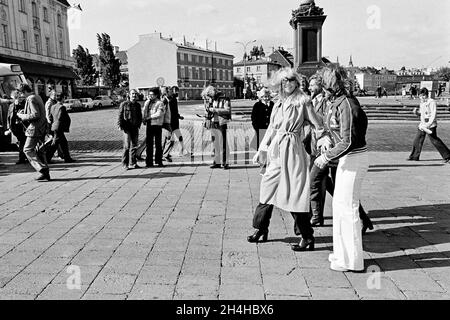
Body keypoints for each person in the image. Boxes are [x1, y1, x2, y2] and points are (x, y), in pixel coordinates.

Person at [247, 67, 324, 252]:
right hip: (276, 152)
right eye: (284, 80)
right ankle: (261, 228)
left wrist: (323, 141)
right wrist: (262, 148)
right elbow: (272, 128)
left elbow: (318, 124)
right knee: (267, 189)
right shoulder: (279, 103)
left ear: (296, 82)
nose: (287, 83)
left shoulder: (303, 102)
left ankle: (307, 236)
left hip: (293, 150)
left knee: (293, 193)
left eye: (290, 80)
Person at [314, 67, 369, 272]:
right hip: (348, 159)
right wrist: (326, 138)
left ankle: (352, 260)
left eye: (324, 87)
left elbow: (348, 141)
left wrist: (325, 157)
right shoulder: (338, 102)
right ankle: (341, 253)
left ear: (331, 86)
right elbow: (334, 131)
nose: (323, 92)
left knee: (348, 208)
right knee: (339, 207)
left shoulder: (346, 104)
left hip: (354, 159)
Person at [15, 83, 51, 181]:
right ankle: (46, 173)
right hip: (42, 127)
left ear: (23, 91)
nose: (20, 95)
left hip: (35, 128)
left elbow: (35, 115)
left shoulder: (31, 98)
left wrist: (21, 116)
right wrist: (25, 112)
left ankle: (42, 169)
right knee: (40, 151)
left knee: (27, 149)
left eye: (20, 93)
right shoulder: (37, 96)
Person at [407, 87, 450, 163]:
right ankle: (414, 156)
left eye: (423, 95)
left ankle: (448, 156)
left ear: (426, 95)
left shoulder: (431, 102)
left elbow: (433, 113)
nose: (422, 97)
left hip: (430, 124)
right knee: (417, 140)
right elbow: (422, 113)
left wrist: (429, 123)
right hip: (423, 124)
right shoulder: (422, 103)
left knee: (435, 140)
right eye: (420, 95)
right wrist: (416, 112)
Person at [202, 85, 231, 170]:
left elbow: (227, 110)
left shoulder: (224, 98)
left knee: (223, 143)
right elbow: (207, 111)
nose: (209, 98)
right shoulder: (211, 100)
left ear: (213, 93)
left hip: (222, 122)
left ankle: (225, 163)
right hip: (213, 123)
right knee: (215, 144)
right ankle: (217, 162)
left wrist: (215, 110)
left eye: (210, 96)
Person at [46, 91, 74, 163]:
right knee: (55, 144)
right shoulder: (62, 107)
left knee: (63, 143)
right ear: (62, 98)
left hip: (54, 126)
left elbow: (50, 117)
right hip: (59, 127)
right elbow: (61, 117)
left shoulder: (53, 106)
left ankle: (67, 158)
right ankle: (47, 158)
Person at [118, 89, 142, 170]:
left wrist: (139, 124)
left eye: (135, 94)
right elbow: (120, 115)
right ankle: (125, 164)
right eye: (132, 94)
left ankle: (133, 162)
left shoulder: (138, 105)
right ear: (129, 95)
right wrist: (119, 124)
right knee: (127, 146)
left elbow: (140, 116)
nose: (134, 95)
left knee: (134, 146)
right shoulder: (124, 104)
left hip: (135, 127)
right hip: (127, 127)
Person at [142, 87, 165, 168]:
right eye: (149, 94)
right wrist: (144, 119)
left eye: (152, 95)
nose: (150, 96)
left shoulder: (160, 103)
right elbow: (144, 111)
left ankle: (159, 161)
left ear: (156, 95)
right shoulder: (147, 102)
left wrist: (149, 117)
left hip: (157, 125)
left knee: (158, 144)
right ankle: (149, 162)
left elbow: (159, 114)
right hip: (149, 125)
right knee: (149, 144)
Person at [162, 86, 187, 160]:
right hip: (170, 122)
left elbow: (174, 111)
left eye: (177, 91)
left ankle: (182, 150)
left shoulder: (173, 99)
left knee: (177, 137)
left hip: (174, 121)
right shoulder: (169, 100)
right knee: (169, 139)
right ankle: (165, 153)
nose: (177, 93)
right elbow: (171, 111)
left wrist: (179, 116)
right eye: (176, 91)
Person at [6, 90, 27, 165]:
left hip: (23, 127)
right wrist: (9, 127)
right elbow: (8, 117)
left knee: (22, 142)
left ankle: (22, 158)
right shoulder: (11, 106)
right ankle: (24, 157)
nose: (17, 99)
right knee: (19, 143)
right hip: (15, 127)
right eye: (16, 98)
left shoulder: (24, 104)